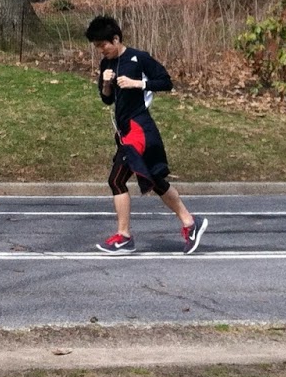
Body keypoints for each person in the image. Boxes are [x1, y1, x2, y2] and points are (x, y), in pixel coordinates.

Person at [86, 14, 207, 254]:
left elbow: (165, 82)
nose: (101, 51)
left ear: (116, 38)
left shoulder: (139, 58)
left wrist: (137, 83)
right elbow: (106, 99)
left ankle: (124, 236)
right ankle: (190, 222)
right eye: (97, 47)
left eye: (103, 45)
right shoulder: (106, 65)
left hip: (139, 128)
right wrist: (106, 84)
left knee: (117, 180)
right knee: (155, 180)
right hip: (125, 130)